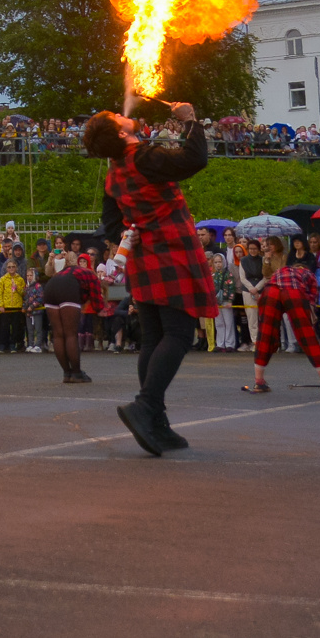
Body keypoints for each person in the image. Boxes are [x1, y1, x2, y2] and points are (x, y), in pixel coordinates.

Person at [84, 100, 216, 456]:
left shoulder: (114, 174)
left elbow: (111, 224)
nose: (122, 115)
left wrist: (131, 229)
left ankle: (157, 422)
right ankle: (145, 407)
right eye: (117, 118)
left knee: (154, 337)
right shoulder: (144, 156)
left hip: (144, 259)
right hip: (172, 251)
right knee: (178, 333)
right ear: (122, 133)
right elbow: (194, 160)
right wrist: (191, 121)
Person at [245, 237, 320, 395]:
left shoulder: (281, 270)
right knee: (306, 335)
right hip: (293, 292)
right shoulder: (308, 274)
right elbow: (311, 299)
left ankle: (259, 382)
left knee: (265, 335)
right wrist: (311, 321)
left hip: (270, 291)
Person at [41, 243, 104, 382]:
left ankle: (67, 373)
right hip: (68, 288)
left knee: (58, 334)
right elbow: (97, 300)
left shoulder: (62, 272)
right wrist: (100, 309)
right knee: (70, 334)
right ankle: (76, 373)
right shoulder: (89, 273)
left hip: (50, 287)